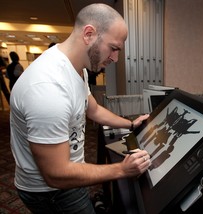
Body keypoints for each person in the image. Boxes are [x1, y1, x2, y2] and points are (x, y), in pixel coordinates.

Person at [10, 3, 150, 214]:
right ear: (89, 34)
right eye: (113, 48)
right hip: (51, 191)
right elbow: (56, 174)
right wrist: (122, 169)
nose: (115, 58)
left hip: (68, 175)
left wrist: (130, 123)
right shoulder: (48, 90)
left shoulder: (76, 67)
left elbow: (92, 109)